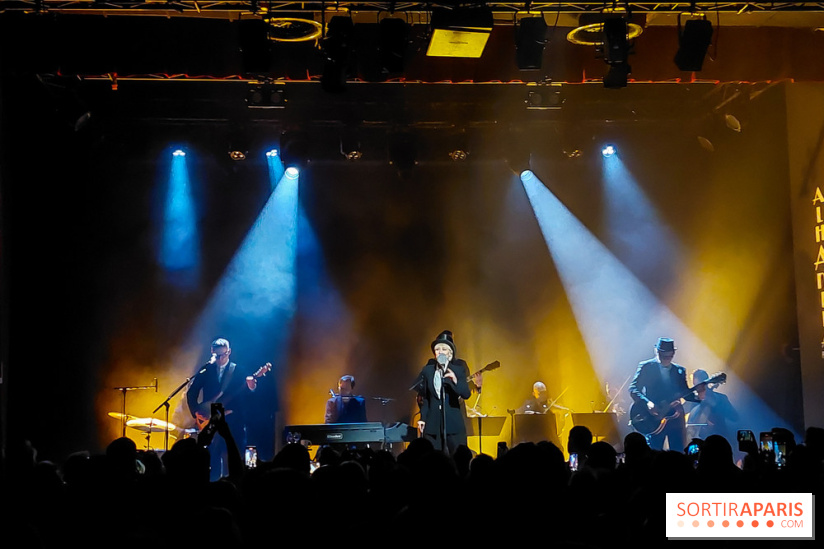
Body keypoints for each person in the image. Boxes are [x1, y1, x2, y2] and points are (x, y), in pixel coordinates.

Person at [187, 337, 257, 479]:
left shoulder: (238, 370)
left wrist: (252, 387)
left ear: (229, 352)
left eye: (222, 355)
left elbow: (248, 397)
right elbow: (192, 392)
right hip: (210, 419)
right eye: (216, 355)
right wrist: (196, 412)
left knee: (234, 455)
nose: (219, 359)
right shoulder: (206, 369)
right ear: (211, 352)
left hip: (234, 420)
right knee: (212, 455)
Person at [628, 337, 699, 452]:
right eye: (663, 356)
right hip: (654, 418)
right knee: (654, 452)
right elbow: (633, 388)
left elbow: (686, 394)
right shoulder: (647, 367)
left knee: (678, 454)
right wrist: (648, 403)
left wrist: (699, 396)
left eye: (669, 356)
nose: (667, 359)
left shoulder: (679, 370)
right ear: (657, 352)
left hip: (675, 419)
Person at [415, 330, 471, 455]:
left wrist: (455, 380)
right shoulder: (428, 371)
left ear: (450, 353)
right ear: (434, 354)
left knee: (457, 458)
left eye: (444, 349)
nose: (440, 352)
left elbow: (466, 394)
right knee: (435, 460)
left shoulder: (458, 370)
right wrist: (423, 418)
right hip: (433, 425)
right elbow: (426, 398)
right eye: (438, 349)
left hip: (453, 424)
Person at [685, 369, 738, 442]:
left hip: (718, 440)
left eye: (700, 386)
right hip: (696, 441)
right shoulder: (692, 400)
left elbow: (734, 417)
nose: (697, 390)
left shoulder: (720, 399)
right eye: (695, 386)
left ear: (707, 383)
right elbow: (680, 412)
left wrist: (715, 405)